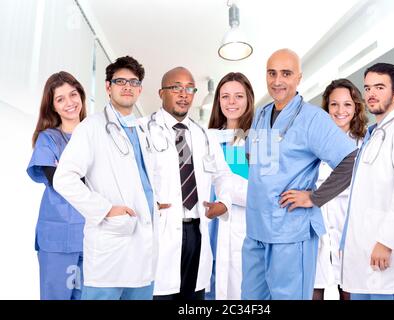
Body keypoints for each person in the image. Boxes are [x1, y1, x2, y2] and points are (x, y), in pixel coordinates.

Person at [242, 48, 357, 300]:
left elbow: (351, 160)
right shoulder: (261, 114)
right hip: (256, 229)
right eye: (271, 73)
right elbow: (257, 163)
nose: (277, 80)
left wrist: (314, 197)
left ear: (299, 78)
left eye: (286, 73)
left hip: (290, 231)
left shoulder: (312, 118)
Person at [53, 56, 159, 300]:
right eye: (120, 81)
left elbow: (145, 179)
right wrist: (105, 209)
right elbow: (63, 179)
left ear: (140, 89)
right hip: (111, 249)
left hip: (143, 250)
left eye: (133, 82)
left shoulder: (144, 130)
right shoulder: (91, 127)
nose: (127, 87)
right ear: (108, 87)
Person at [340, 63, 394, 300]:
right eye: (367, 88)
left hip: (386, 257)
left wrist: (387, 242)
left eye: (379, 87)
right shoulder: (374, 133)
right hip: (363, 256)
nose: (371, 94)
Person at [149, 67, 233, 300]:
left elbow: (223, 174)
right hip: (162, 230)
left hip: (197, 229)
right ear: (161, 93)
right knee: (162, 295)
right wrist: (146, 202)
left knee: (194, 299)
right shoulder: (144, 130)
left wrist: (224, 202)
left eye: (189, 88)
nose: (183, 94)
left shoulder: (204, 135)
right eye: (176, 87)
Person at [27, 71, 87, 300]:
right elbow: (60, 181)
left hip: (94, 236)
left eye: (73, 94)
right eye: (60, 99)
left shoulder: (98, 134)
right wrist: (75, 176)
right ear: (52, 106)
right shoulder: (48, 139)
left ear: (81, 95)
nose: (69, 102)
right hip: (58, 238)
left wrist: (68, 170)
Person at [313, 79, 368, 300]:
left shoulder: (364, 144)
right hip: (318, 232)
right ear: (327, 109)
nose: (340, 111)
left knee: (349, 294)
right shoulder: (314, 144)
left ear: (356, 108)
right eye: (334, 105)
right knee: (313, 292)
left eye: (347, 104)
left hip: (351, 232)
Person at [207, 72, 255, 300]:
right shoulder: (206, 138)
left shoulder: (260, 139)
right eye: (225, 96)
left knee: (240, 290)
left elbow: (265, 192)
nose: (231, 102)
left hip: (244, 228)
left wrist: (225, 187)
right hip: (210, 228)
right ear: (218, 101)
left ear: (249, 100)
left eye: (238, 96)